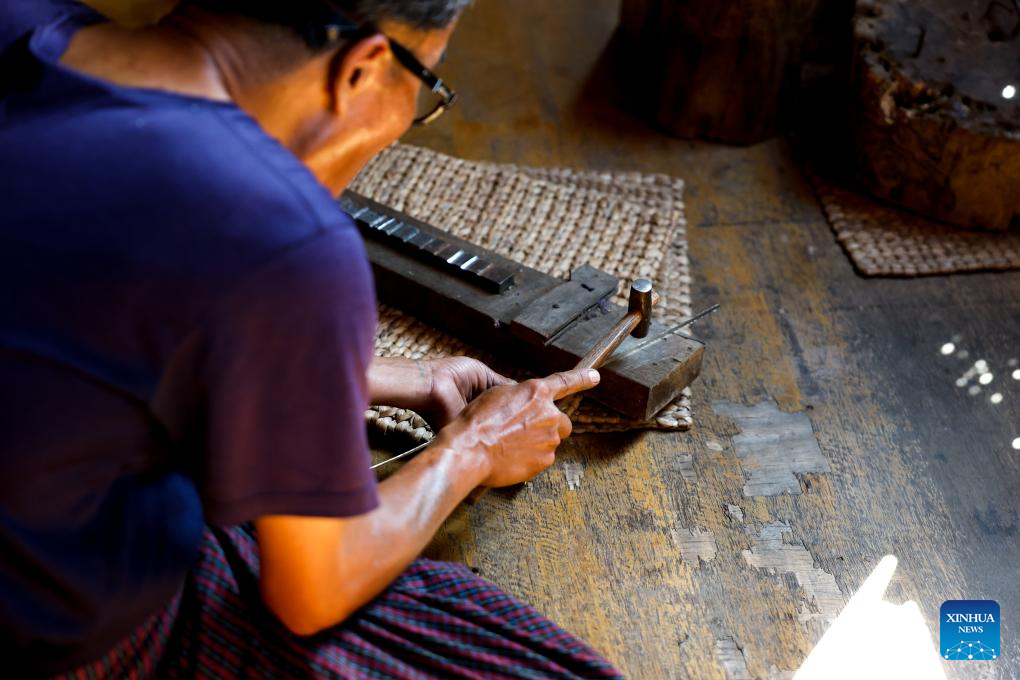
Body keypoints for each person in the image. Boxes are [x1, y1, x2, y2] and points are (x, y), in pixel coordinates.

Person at [0, 0, 622, 676]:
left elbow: (73, 308)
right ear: (364, 67)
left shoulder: (24, 26)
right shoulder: (279, 234)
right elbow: (312, 591)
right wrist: (474, 447)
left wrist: (395, 376)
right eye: (426, 87)